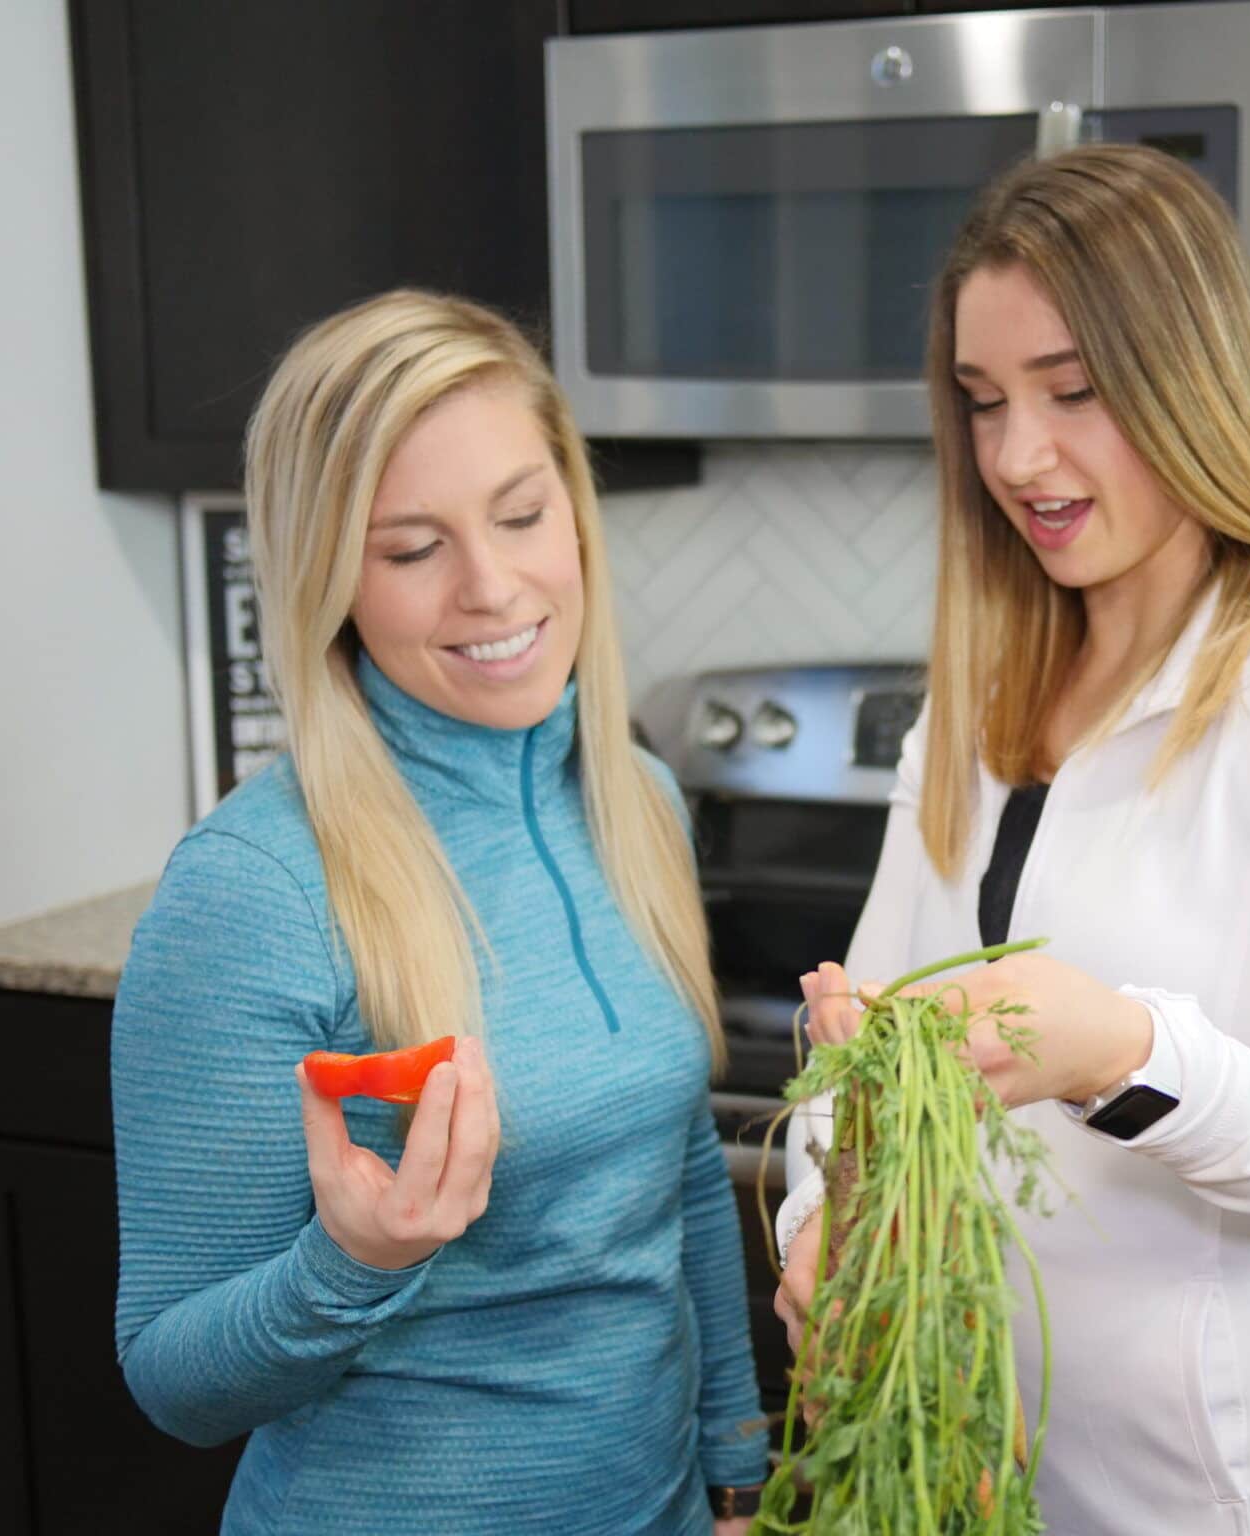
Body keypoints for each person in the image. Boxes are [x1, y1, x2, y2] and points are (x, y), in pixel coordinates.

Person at [774, 145, 1250, 1535]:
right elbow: (858, 1055)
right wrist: (820, 1225)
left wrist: (1126, 1056)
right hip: (983, 1491)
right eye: (983, 402)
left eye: (1073, 392)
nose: (1018, 456)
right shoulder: (975, 695)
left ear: (1193, 382)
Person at [111, 291, 767, 1534]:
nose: (492, 586)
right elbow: (172, 1379)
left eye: (521, 514)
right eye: (411, 549)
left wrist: (735, 1472)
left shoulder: (635, 799)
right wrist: (356, 1263)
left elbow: (674, 1172)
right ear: (327, 580)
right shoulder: (257, 890)